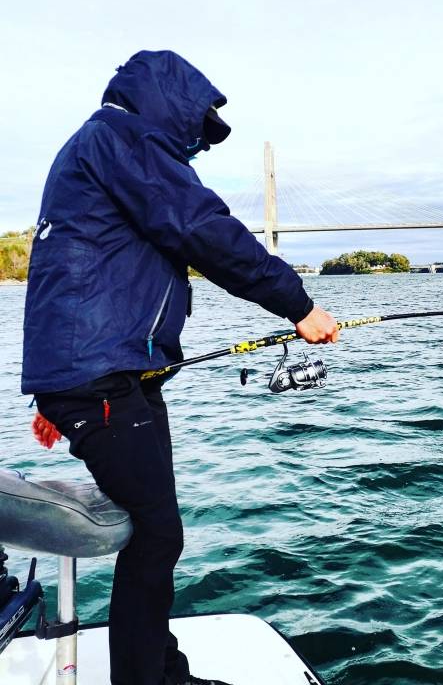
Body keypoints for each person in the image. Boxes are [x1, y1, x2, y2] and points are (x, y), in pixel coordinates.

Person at [22, 50, 339, 685]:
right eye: (195, 129)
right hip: (101, 381)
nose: (196, 147)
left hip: (104, 377)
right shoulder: (124, 141)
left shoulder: (99, 144)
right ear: (167, 102)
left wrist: (54, 392)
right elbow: (203, 230)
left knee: (154, 532)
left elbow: (80, 272)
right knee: (158, 536)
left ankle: (162, 671)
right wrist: (298, 306)